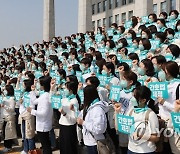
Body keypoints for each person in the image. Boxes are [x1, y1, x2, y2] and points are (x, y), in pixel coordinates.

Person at [77, 85, 109, 154]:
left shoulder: (97, 109)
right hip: (89, 140)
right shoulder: (89, 106)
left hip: (95, 142)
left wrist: (83, 123)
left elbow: (99, 129)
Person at [27, 76, 53, 154]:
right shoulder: (45, 94)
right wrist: (32, 91)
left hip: (43, 125)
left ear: (43, 85)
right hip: (43, 124)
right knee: (45, 145)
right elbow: (35, 101)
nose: (38, 85)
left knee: (46, 145)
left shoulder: (46, 97)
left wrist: (32, 111)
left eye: (39, 84)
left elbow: (43, 113)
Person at [58, 81, 79, 154]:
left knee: (69, 148)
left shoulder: (74, 101)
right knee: (63, 147)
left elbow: (74, 119)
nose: (64, 90)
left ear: (71, 90)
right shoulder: (65, 99)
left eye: (66, 88)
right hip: (63, 125)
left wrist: (64, 114)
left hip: (69, 127)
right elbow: (52, 100)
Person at [19, 79, 36, 154]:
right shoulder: (24, 93)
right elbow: (21, 103)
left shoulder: (31, 94)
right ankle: (26, 149)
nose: (23, 86)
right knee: (24, 133)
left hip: (28, 114)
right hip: (22, 114)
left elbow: (33, 105)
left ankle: (31, 150)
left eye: (24, 84)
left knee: (29, 133)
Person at [0, 85, 17, 152]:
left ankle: (9, 147)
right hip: (3, 117)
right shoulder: (4, 98)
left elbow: (12, 109)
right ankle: (6, 146)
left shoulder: (12, 99)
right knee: (4, 133)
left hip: (9, 117)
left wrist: (4, 106)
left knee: (8, 133)